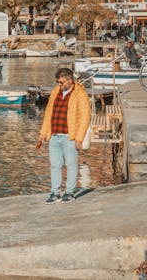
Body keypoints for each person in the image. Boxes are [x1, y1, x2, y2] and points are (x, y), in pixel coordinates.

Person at [37, 68, 91, 204]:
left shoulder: (80, 94)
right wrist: (43, 133)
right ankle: (55, 193)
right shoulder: (55, 92)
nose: (59, 85)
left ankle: (69, 192)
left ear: (69, 80)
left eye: (61, 82)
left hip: (70, 136)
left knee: (71, 164)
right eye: (58, 82)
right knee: (55, 165)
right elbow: (49, 113)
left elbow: (85, 118)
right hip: (55, 135)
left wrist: (79, 138)